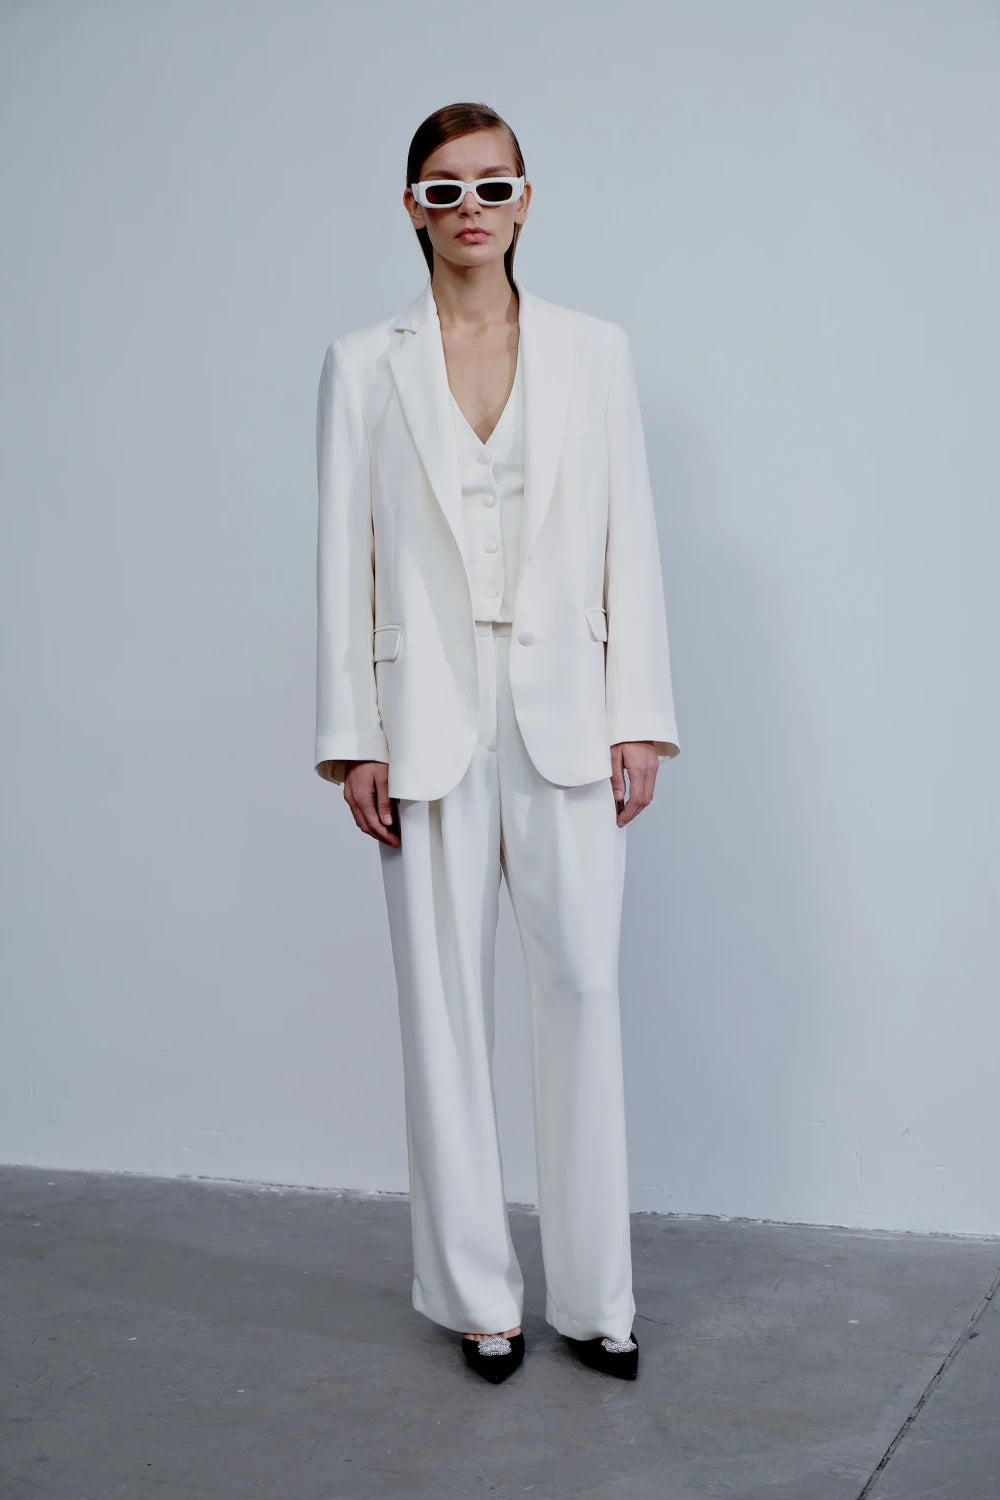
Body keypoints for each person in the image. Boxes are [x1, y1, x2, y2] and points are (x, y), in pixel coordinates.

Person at [314, 102, 680, 1384]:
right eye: (442, 188)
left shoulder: (593, 351)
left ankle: (595, 1300)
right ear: (410, 207)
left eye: (490, 184)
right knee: (443, 1014)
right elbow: (343, 558)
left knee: (581, 991)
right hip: (423, 721)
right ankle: (480, 1296)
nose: (468, 208)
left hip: (568, 713)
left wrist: (640, 717)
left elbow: (628, 533)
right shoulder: (364, 363)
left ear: (526, 199)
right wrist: (351, 738)